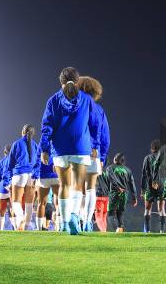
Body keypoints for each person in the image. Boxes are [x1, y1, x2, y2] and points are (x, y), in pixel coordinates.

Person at [40, 67, 101, 235]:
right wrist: (95, 145)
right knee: (78, 185)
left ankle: (65, 223)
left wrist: (44, 149)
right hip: (81, 147)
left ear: (60, 82)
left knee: (64, 185)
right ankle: (74, 215)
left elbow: (46, 127)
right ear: (78, 80)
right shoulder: (87, 100)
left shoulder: (52, 100)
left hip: (60, 149)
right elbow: (95, 125)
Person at [77, 76, 110, 232]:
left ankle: (75, 219)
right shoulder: (99, 110)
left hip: (76, 151)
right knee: (90, 188)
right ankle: (88, 222)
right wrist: (102, 157)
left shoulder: (75, 106)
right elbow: (105, 137)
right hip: (93, 153)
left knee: (76, 188)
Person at [8, 124, 40, 230]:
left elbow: (10, 163)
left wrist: (8, 178)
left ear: (23, 131)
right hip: (32, 175)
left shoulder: (16, 143)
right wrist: (36, 175)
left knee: (16, 201)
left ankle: (21, 217)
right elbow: (38, 163)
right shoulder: (35, 145)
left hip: (19, 174)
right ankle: (26, 226)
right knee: (29, 203)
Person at [104, 153, 137, 232]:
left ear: (115, 159)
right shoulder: (128, 170)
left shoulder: (110, 168)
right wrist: (134, 197)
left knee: (110, 213)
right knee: (120, 213)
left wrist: (117, 187)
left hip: (114, 192)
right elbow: (132, 184)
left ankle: (117, 229)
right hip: (124, 194)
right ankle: (120, 229)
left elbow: (111, 178)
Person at [141, 139, 166, 233]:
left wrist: (142, 189)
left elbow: (144, 174)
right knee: (161, 208)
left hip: (149, 186)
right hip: (162, 185)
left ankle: (147, 230)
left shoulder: (147, 158)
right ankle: (162, 231)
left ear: (152, 148)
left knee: (147, 209)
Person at [36, 142, 60, 231]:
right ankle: (60, 227)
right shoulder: (57, 141)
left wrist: (35, 175)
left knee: (41, 203)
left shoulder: (41, 144)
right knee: (59, 203)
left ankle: (39, 229)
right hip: (56, 175)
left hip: (43, 175)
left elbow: (37, 160)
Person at [0, 144, 12, 230]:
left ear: (5, 152)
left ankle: (0, 231)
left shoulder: (0, 162)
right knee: (13, 211)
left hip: (2, 188)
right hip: (13, 187)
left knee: (1, 212)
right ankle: (16, 230)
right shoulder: (15, 160)